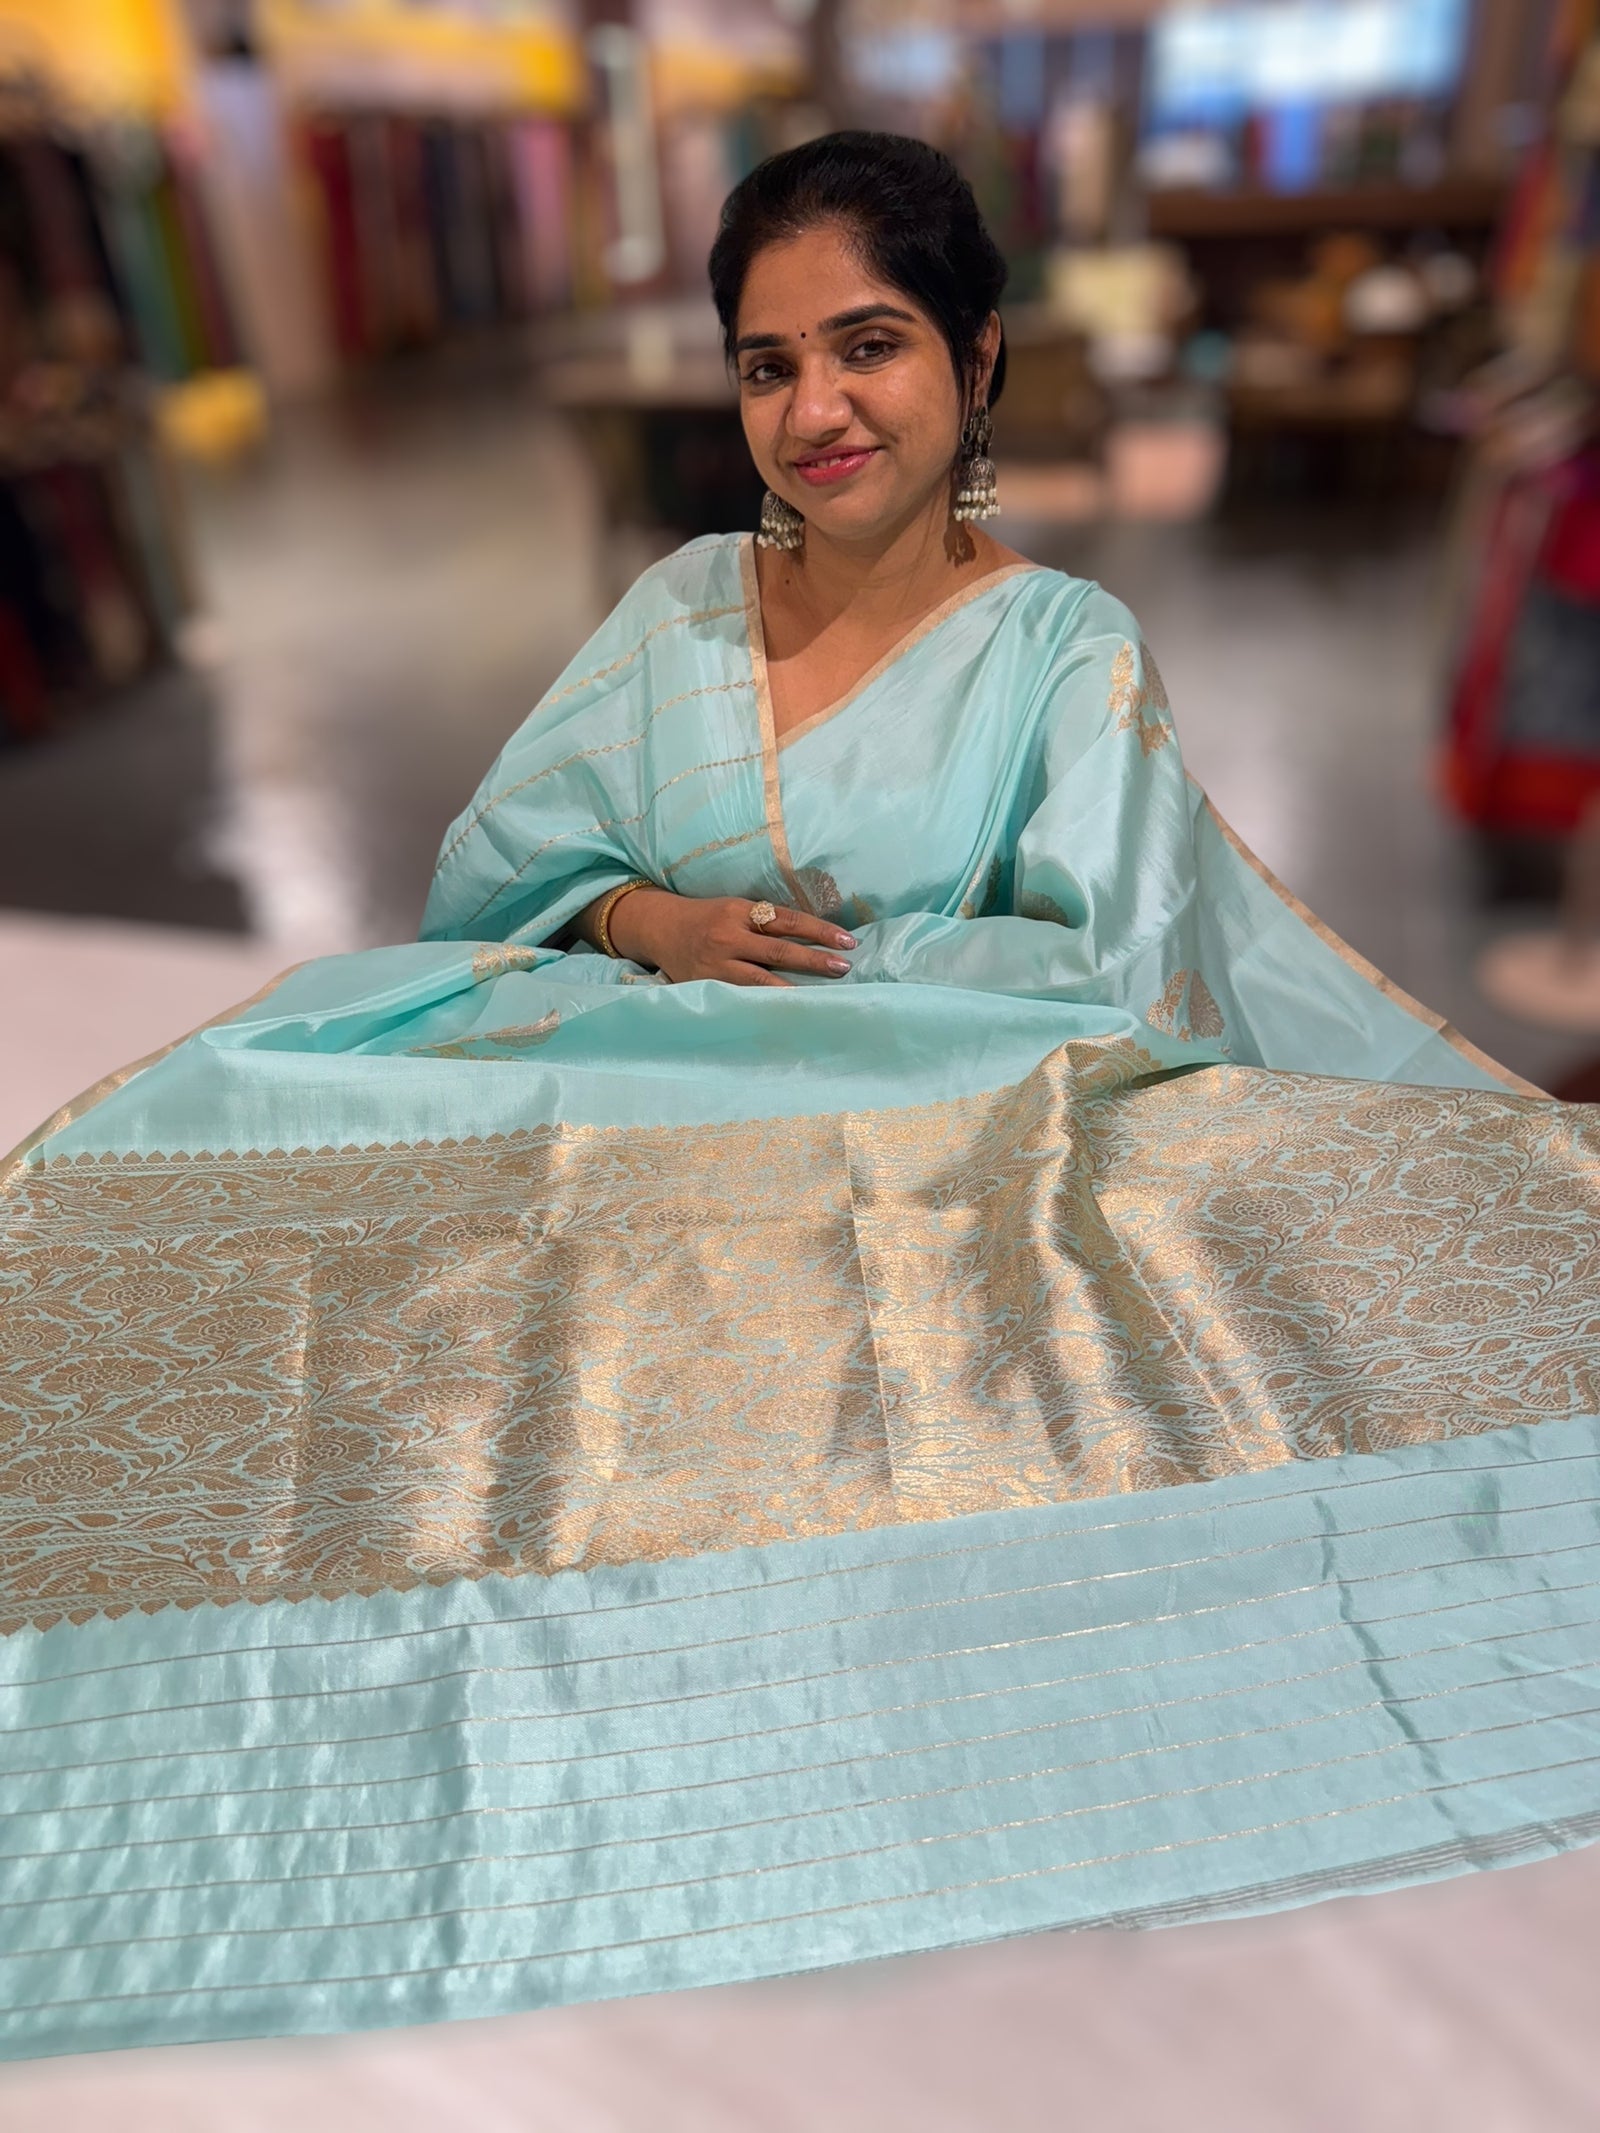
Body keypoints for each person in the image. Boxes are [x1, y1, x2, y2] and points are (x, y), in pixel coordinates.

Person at [2, 133, 1597, 2066]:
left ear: (978, 359)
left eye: (871, 345)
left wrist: (836, 985)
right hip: (614, 1066)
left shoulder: (1058, 651)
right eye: (770, 365)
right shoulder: (681, 607)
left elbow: (1109, 965)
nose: (818, 408)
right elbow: (506, 860)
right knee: (232, 1125)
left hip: (903, 1121)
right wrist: (656, 918)